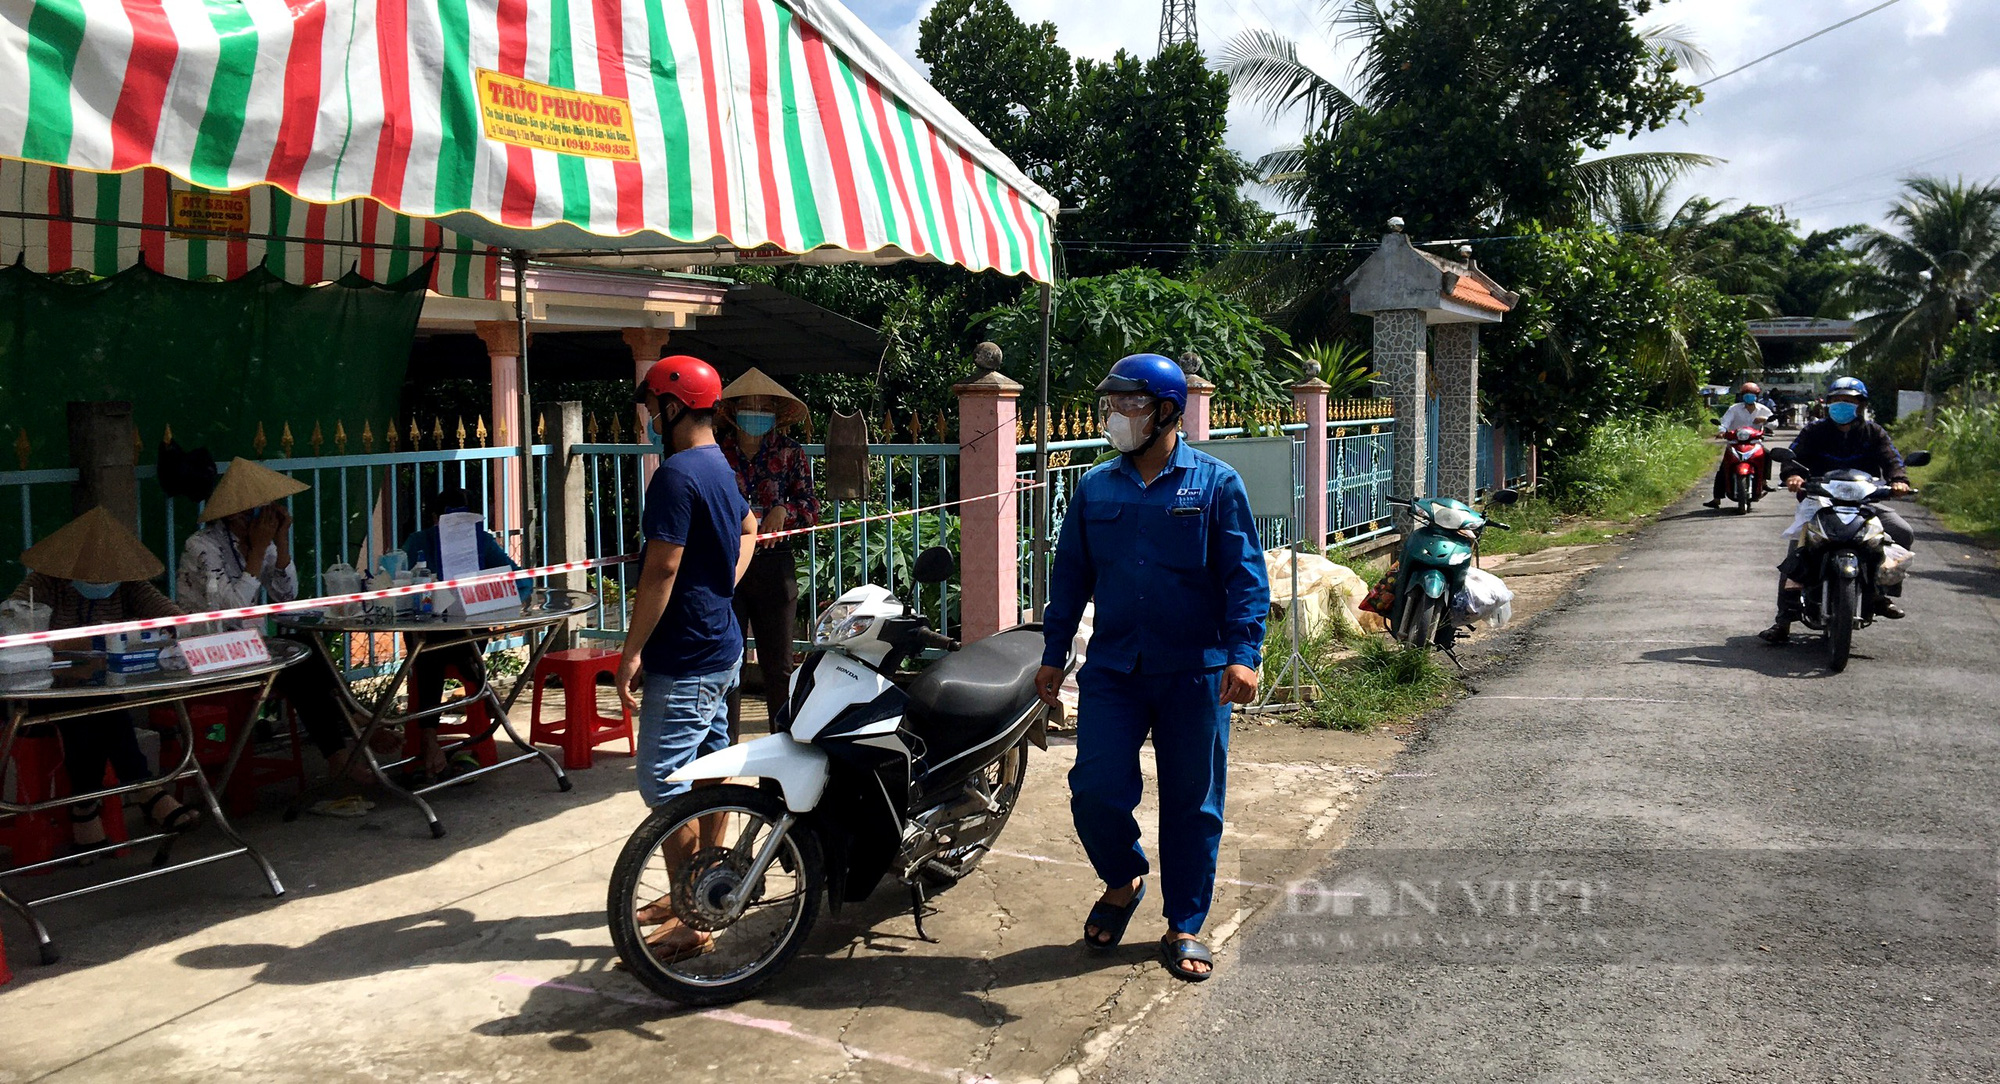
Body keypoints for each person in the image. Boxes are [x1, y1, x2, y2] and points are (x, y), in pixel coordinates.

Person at [1033, 354, 1270, 983]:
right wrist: (1053, 656)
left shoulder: (1216, 485)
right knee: (1094, 789)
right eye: (1112, 403)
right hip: (1115, 667)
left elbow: (1245, 576)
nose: (1116, 416)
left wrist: (1245, 655)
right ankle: (1123, 878)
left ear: (1167, 410)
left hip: (1196, 670)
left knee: (1194, 804)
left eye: (1129, 404)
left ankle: (1184, 924)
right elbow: (1070, 580)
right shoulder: (1095, 488)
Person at [616, 355, 759, 959]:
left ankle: (692, 913)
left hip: (687, 654)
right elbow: (751, 529)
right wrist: (724, 585)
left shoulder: (675, 475)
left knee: (666, 783)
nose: (649, 416)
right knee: (710, 770)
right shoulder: (719, 466)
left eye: (652, 405)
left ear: (674, 406)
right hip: (720, 645)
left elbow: (663, 567)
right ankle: (699, 890)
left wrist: (631, 651)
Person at [8, 508, 201, 846]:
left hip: (100, 689)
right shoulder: (44, 584)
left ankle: (87, 807)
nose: (100, 582)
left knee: (102, 709)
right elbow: (12, 623)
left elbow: (173, 619)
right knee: (97, 712)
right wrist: (76, 641)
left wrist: (156, 631)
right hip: (41, 691)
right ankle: (145, 790)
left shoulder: (127, 585)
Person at [177, 459, 370, 782]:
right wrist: (258, 551)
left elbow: (286, 594)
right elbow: (234, 606)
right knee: (299, 667)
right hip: (209, 648)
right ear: (237, 515)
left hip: (253, 648)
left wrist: (279, 544)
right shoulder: (201, 547)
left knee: (307, 650)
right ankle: (349, 728)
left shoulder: (261, 544)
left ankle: (342, 742)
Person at [1759, 376, 1914, 644]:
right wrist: (1793, 475)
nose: (1842, 405)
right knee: (1798, 550)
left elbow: (1892, 459)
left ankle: (1880, 592)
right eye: (1837, 400)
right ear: (1828, 404)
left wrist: (1899, 480)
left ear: (1861, 405)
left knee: (1901, 530)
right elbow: (1794, 457)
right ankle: (1783, 620)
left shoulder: (1874, 432)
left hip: (1864, 502)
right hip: (1820, 502)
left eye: (1849, 401)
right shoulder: (1814, 431)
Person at [716, 367, 820, 737]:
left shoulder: (791, 454)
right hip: (726, 565)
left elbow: (811, 506)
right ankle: (723, 748)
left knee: (778, 666)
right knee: (729, 662)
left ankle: (782, 746)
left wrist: (784, 511)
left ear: (776, 413)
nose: (756, 412)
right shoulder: (716, 453)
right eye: (749, 405)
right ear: (733, 411)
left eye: (764, 406)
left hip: (775, 567)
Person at [396, 485, 525, 782]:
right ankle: (482, 691)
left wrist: (487, 590)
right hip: (425, 630)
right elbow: (396, 585)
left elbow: (519, 580)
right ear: (434, 519)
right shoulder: (418, 542)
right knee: (431, 650)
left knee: (435, 654)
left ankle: (431, 742)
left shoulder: (483, 543)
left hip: (469, 631)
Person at [1704, 381, 1775, 508]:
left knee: (1768, 455)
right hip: (1735, 443)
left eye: (1752, 394)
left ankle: (1763, 481)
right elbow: (1725, 423)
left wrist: (1764, 421)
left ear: (1757, 395)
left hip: (1754, 443)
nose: (1749, 396)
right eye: (1746, 394)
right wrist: (1722, 431)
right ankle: (1716, 499)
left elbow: (1774, 423)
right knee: (1722, 469)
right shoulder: (1734, 409)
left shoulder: (1762, 410)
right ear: (1742, 395)